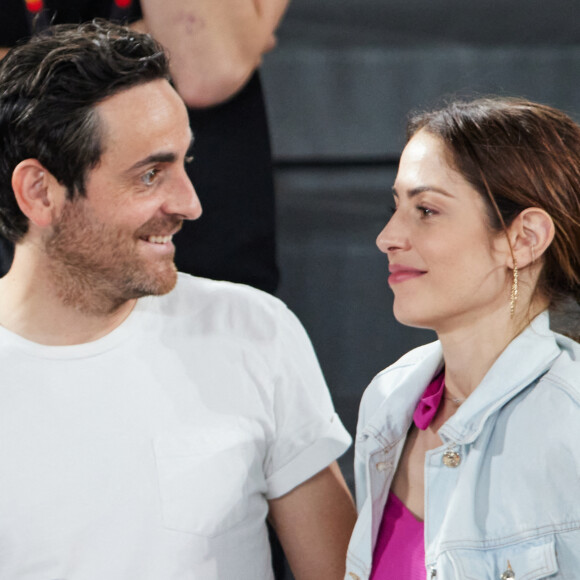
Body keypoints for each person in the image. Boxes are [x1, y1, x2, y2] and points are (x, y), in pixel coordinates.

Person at [0, 20, 357, 579]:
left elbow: (342, 573)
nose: (190, 204)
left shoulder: (253, 330)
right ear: (40, 192)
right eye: (149, 175)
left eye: (184, 164)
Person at [344, 97, 580, 579]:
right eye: (396, 207)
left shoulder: (570, 426)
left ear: (523, 238)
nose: (388, 236)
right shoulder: (387, 402)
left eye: (426, 210)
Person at [0, 0, 286, 294]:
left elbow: (208, 59)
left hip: (210, 246)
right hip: (21, 231)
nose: (190, 206)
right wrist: (148, 37)